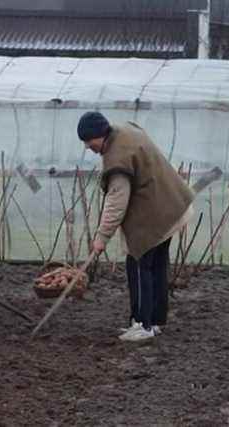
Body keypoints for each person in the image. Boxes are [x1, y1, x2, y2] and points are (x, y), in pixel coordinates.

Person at [77, 112, 194, 342]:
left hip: (156, 214)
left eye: (88, 141)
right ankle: (156, 321)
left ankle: (142, 324)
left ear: (99, 135)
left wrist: (101, 238)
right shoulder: (125, 131)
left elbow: (116, 202)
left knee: (138, 264)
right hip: (172, 206)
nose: (88, 147)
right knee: (157, 265)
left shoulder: (117, 158)